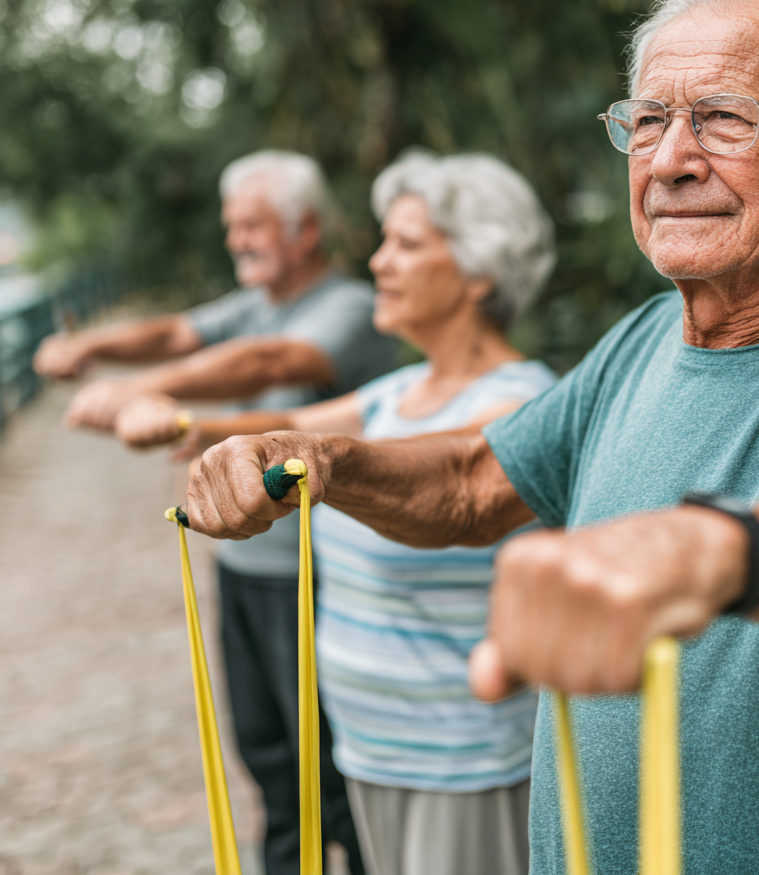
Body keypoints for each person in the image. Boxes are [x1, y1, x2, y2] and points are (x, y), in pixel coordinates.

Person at [180, 0, 759, 875]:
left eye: (724, 118)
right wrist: (320, 461)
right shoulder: (644, 338)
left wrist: (705, 553)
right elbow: (468, 485)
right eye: (647, 121)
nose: (670, 160)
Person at [115, 150, 558, 875]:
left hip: (463, 765)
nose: (380, 262)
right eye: (384, 240)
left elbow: (412, 463)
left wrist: (305, 457)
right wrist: (177, 424)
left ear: (481, 272)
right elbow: (271, 427)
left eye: (407, 244)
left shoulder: (522, 400)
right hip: (366, 753)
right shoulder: (397, 389)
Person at [36, 150, 396, 875]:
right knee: (269, 762)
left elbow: (268, 362)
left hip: (321, 581)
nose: (238, 241)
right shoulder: (253, 303)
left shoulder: (348, 306)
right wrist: (92, 346)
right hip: (245, 573)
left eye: (254, 226)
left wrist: (147, 393)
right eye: (233, 227)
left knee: (332, 778)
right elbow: (175, 332)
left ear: (306, 229)